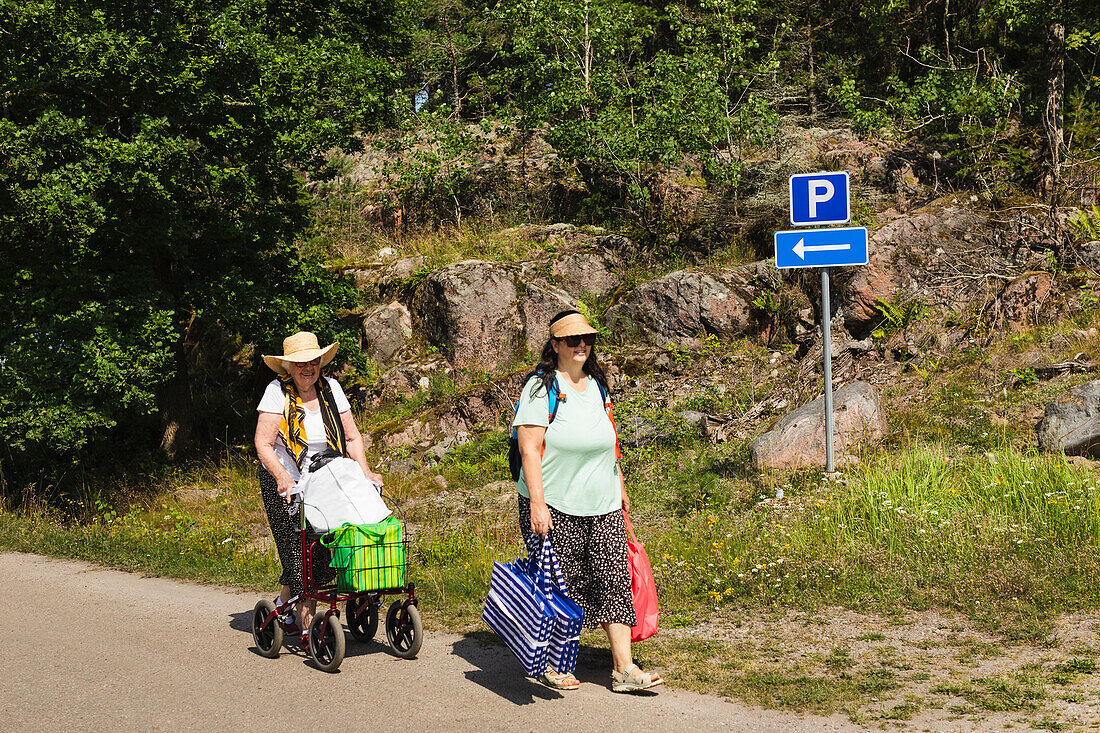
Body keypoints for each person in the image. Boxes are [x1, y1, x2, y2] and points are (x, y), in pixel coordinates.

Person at [513, 310, 663, 693]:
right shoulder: (539, 388)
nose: (582, 345)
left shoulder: (597, 384)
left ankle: (624, 669)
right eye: (572, 339)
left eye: (587, 339)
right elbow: (530, 452)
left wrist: (621, 487)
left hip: (604, 501)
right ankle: (553, 662)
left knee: (614, 581)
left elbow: (609, 442)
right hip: (555, 502)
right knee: (563, 586)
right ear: (556, 345)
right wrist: (537, 503)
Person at [254, 331, 383, 638]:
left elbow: (351, 437)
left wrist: (365, 471)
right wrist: (282, 477)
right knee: (298, 553)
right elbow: (263, 442)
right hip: (285, 482)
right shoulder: (277, 391)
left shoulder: (331, 388)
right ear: (288, 367)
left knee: (321, 548)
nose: (308, 368)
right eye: (300, 363)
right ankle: (307, 624)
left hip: (326, 477)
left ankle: (281, 604)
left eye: (313, 361)